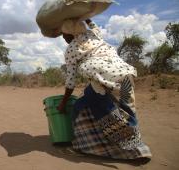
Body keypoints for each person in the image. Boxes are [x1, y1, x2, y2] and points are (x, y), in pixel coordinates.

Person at [57, 18, 152, 159]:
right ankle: (92, 145)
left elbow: (71, 81)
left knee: (106, 115)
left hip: (104, 83)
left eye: (64, 34)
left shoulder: (71, 49)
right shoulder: (93, 35)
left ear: (71, 32)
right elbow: (95, 27)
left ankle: (133, 150)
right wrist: (88, 18)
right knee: (126, 111)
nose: (63, 37)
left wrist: (63, 103)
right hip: (125, 76)